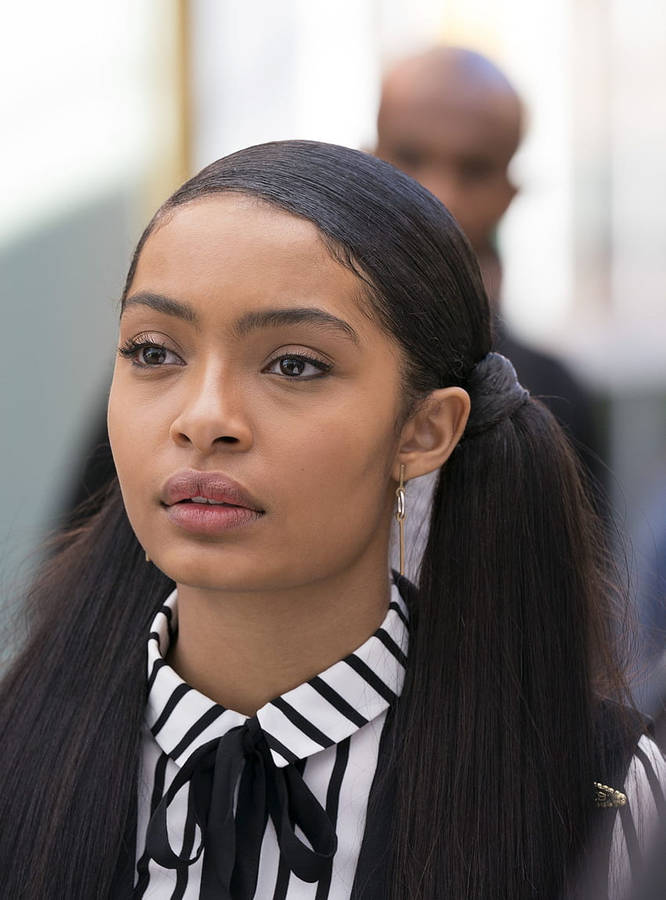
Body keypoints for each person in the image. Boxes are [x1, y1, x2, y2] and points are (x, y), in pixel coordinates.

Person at [0, 141, 663, 899]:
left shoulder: (600, 799)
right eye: (153, 352)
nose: (203, 418)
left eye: (294, 365)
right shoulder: (22, 758)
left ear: (424, 431)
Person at [374, 46, 601, 466]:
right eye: (410, 157)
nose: (440, 194)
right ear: (367, 162)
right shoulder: (300, 350)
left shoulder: (555, 399)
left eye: (475, 169)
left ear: (509, 195)